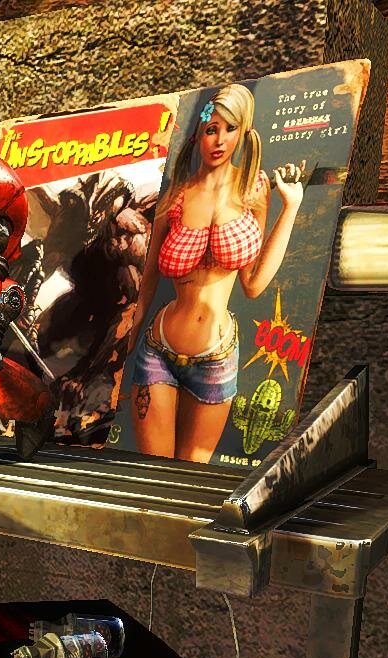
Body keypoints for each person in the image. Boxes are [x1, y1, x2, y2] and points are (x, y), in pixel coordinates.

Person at [127, 83, 305, 462]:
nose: (220, 140)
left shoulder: (253, 189)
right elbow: (148, 281)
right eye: (211, 129)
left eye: (230, 128)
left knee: (192, 480)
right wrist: (125, 344)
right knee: (151, 475)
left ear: (243, 132)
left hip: (216, 357)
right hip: (158, 350)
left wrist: (290, 208)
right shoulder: (176, 195)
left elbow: (253, 284)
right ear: (199, 135)